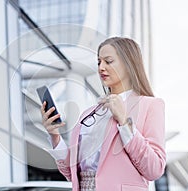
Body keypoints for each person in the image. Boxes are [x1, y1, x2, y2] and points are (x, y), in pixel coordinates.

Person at [40, 37, 166, 191]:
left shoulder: (150, 105)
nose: (101, 67)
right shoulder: (89, 114)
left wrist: (124, 122)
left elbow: (154, 169)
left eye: (108, 61)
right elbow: (71, 174)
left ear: (129, 64)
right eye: (99, 62)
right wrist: (54, 135)